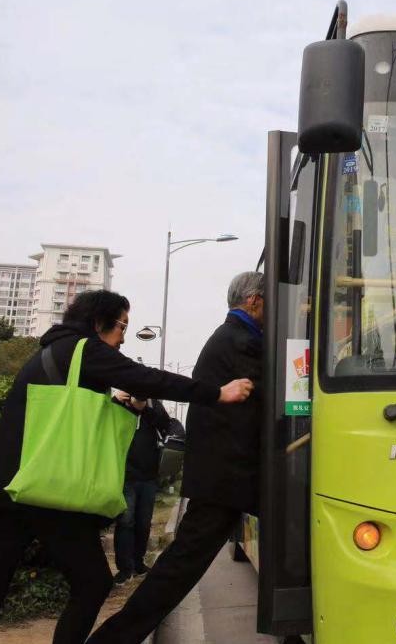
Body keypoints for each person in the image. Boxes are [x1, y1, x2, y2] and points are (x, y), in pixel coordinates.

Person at [0, 290, 253, 644]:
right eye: (122, 326)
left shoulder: (52, 351)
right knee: (93, 583)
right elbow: (144, 377)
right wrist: (216, 393)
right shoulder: (84, 348)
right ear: (99, 321)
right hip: (43, 491)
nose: (122, 337)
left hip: (3, 487)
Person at [88, 271, 265, 644]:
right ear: (254, 301)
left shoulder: (233, 337)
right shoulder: (243, 341)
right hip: (226, 478)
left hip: (224, 475)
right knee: (180, 568)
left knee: (181, 566)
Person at [112, 391, 172, 584]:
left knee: (143, 523)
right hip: (124, 474)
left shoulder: (153, 404)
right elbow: (104, 423)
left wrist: (144, 408)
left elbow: (165, 425)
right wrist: (115, 401)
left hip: (148, 476)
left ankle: (138, 564)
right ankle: (124, 569)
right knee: (125, 522)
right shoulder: (119, 403)